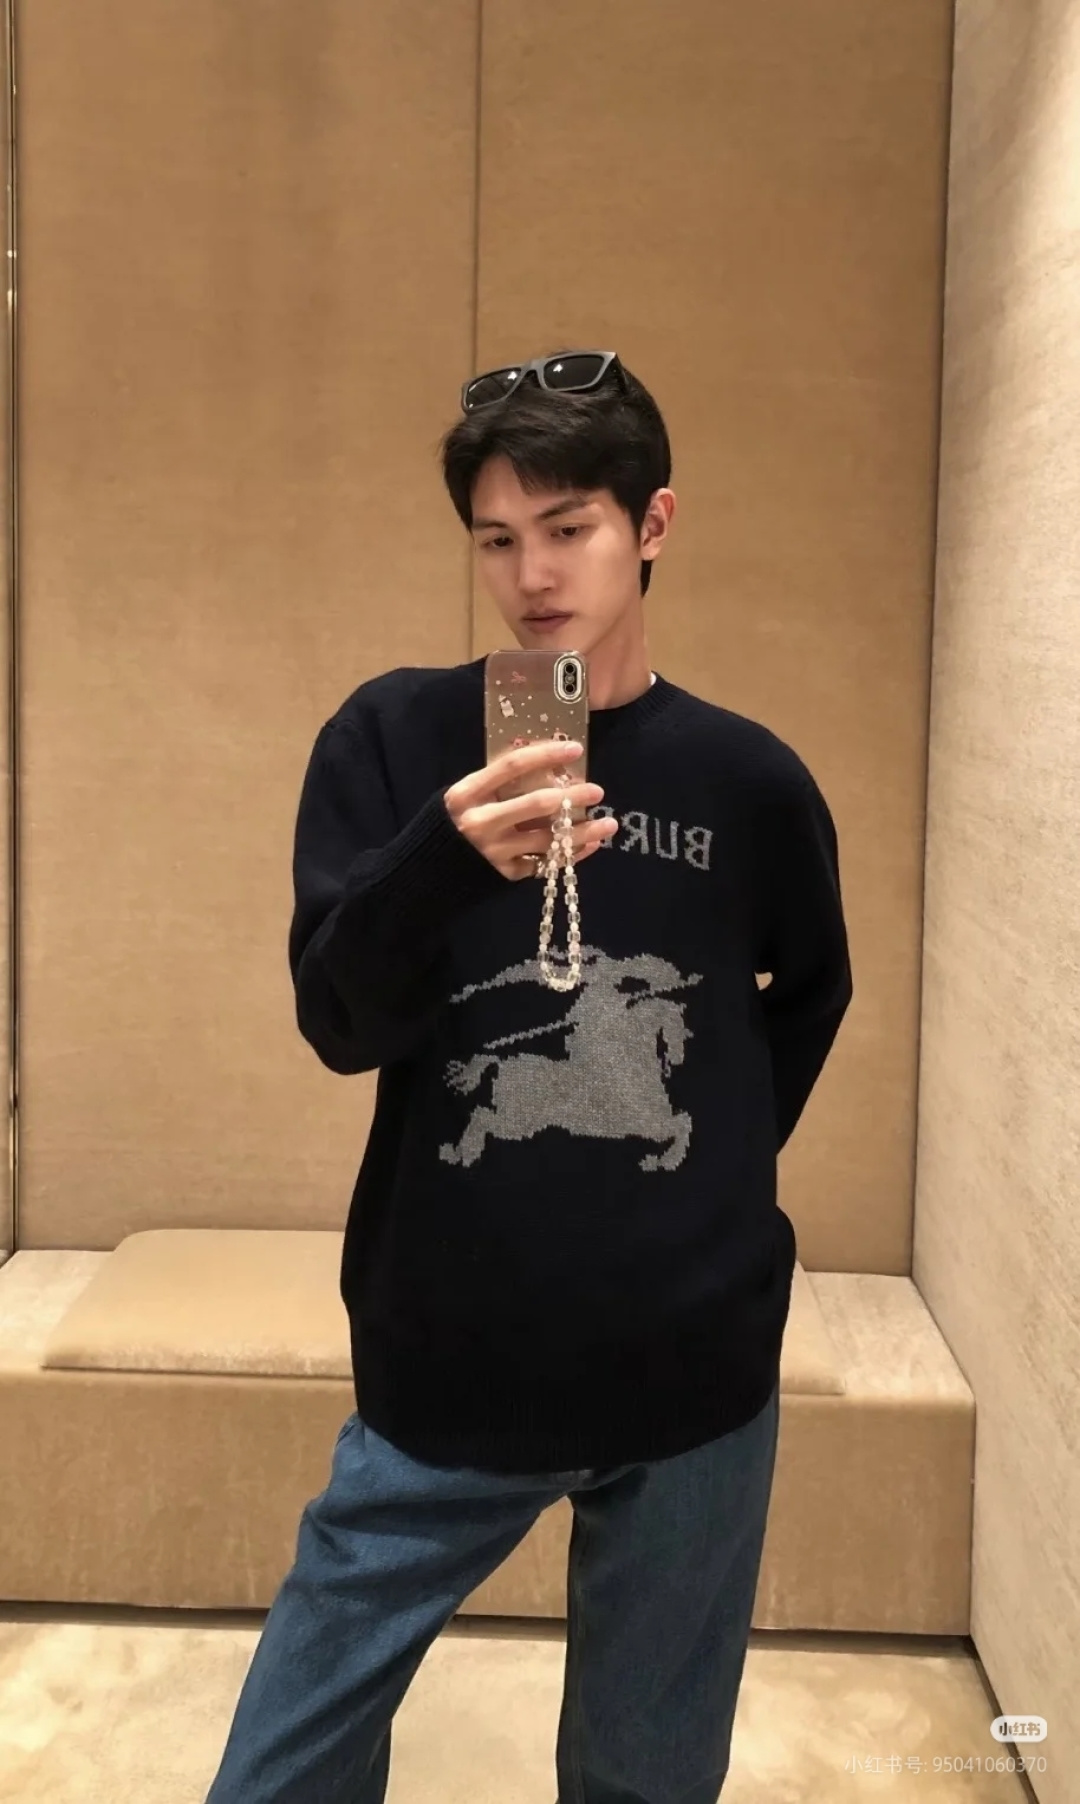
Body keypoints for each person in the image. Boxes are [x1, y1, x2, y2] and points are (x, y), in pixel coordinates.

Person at [204, 349, 853, 1803]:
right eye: (497, 539)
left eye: (569, 528)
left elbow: (810, 996)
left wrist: (714, 1191)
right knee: (282, 1772)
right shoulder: (394, 742)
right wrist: (443, 860)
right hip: (451, 1351)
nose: (532, 575)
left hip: (694, 1368)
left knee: (645, 1776)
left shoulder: (748, 781)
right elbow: (337, 1022)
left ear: (652, 524)